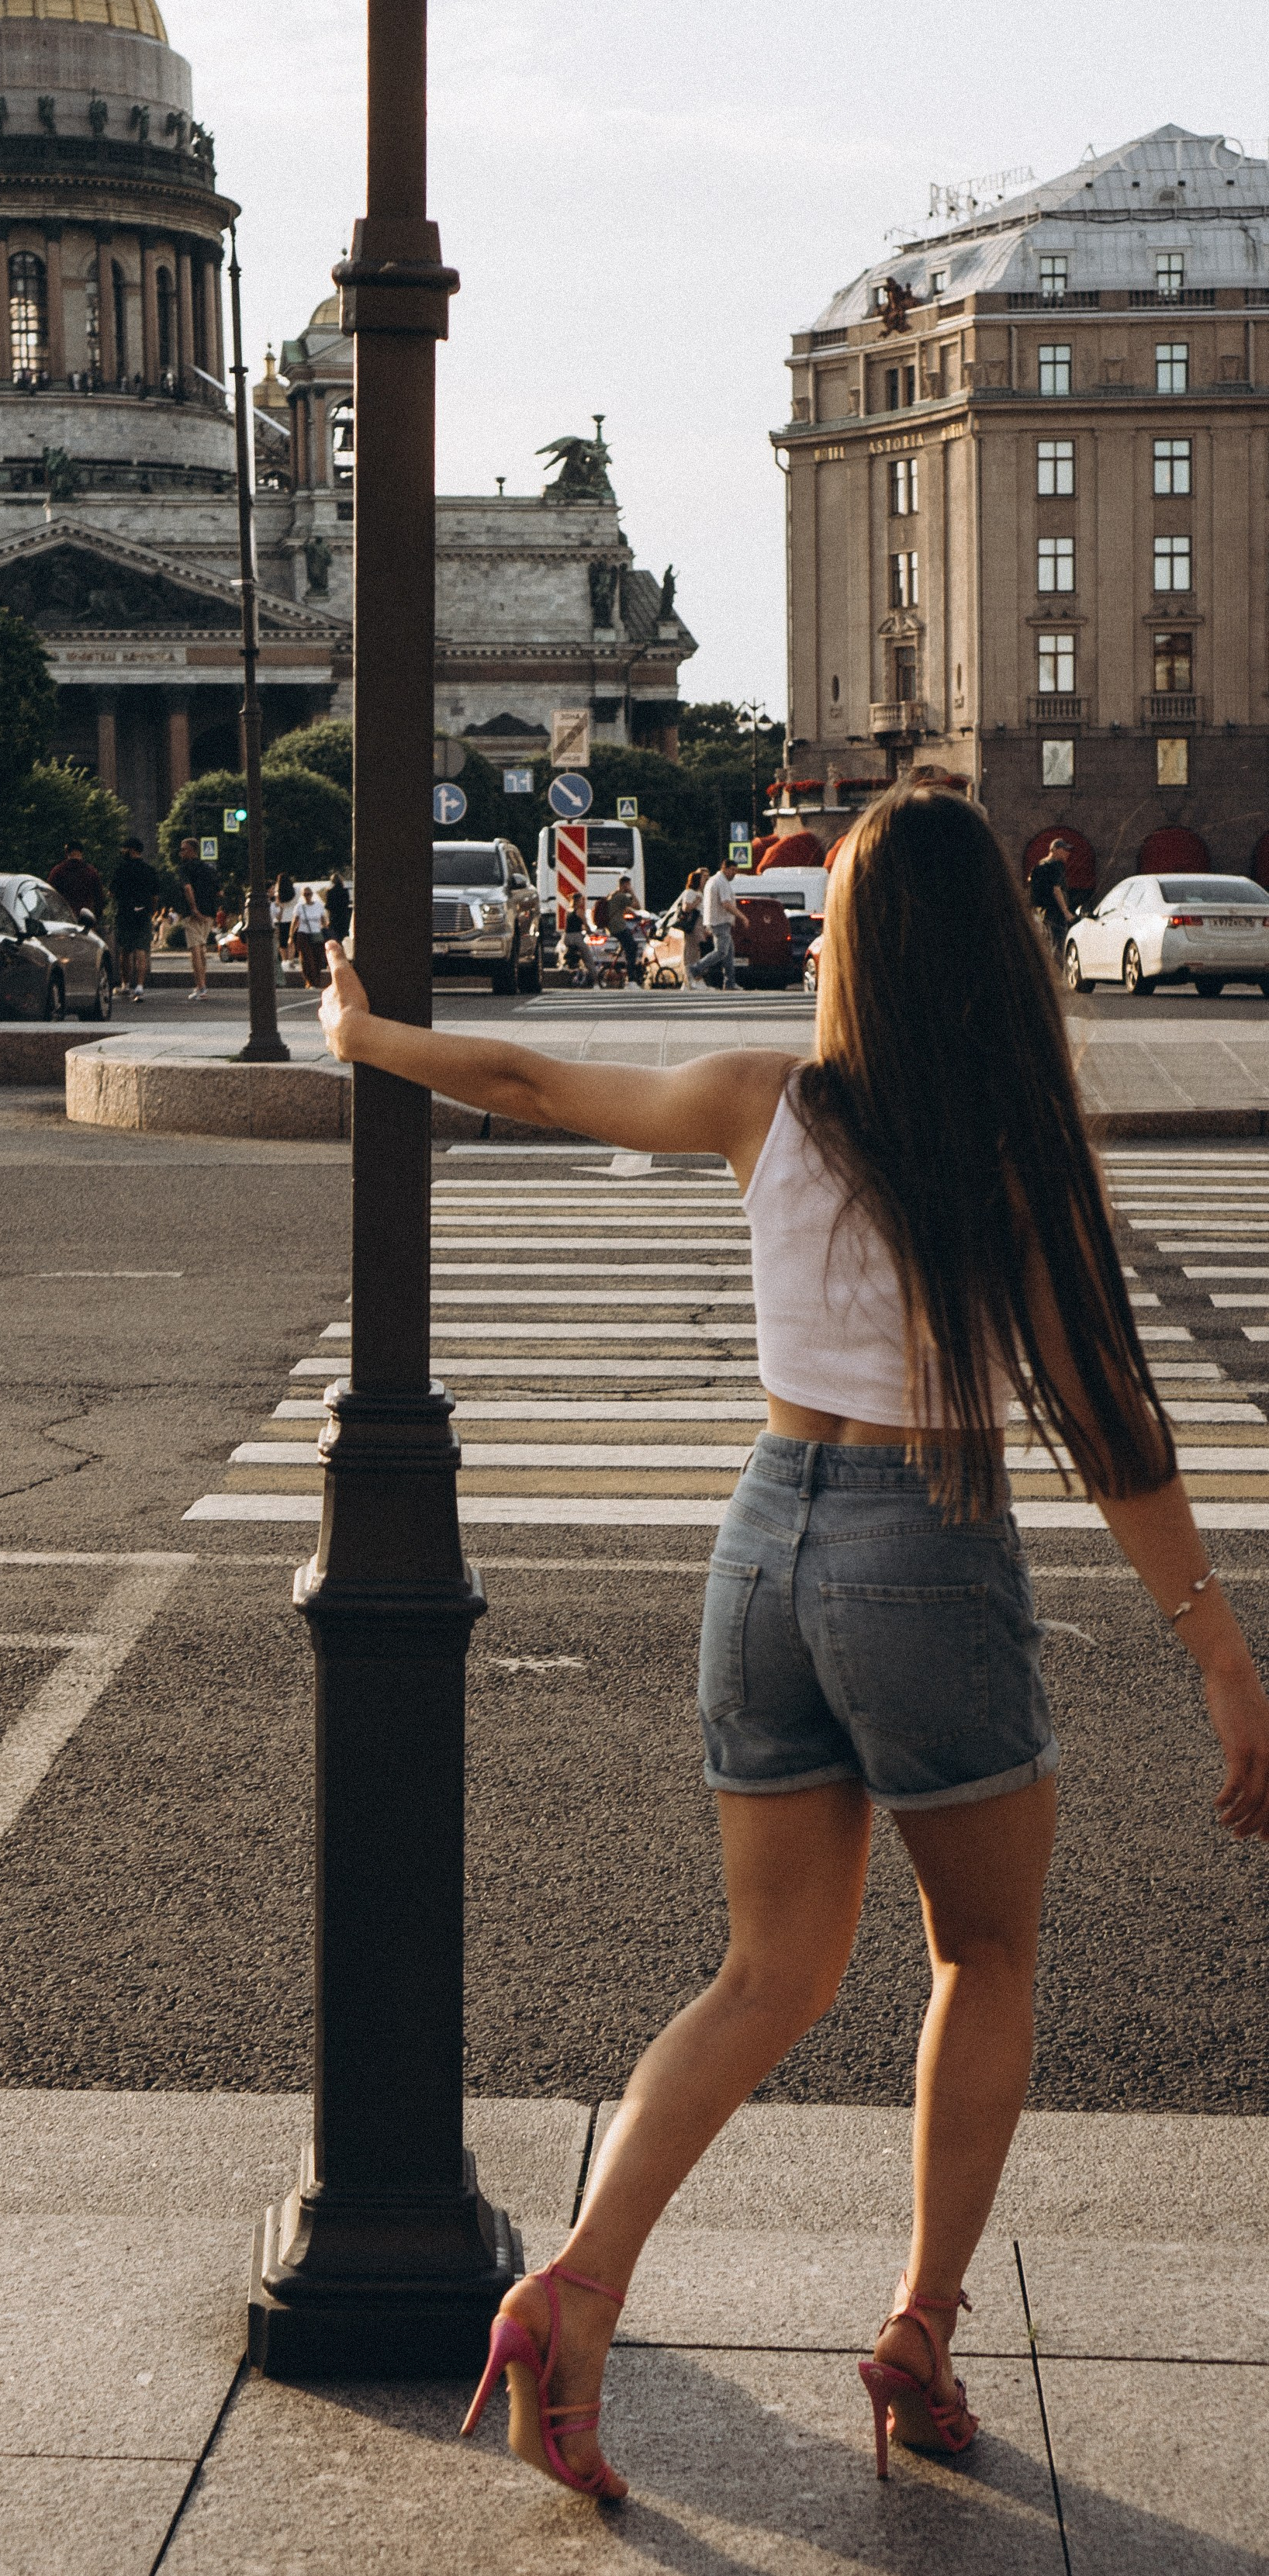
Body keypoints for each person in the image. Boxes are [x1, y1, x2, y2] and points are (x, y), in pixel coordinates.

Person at [317, 782, 1269, 2503]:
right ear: (999, 950)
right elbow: (1110, 1412)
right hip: (927, 1538)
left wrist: (365, 1028)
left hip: (766, 1534)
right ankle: (919, 2324)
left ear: (848, 947)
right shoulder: (1009, 1142)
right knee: (980, 1951)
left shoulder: (768, 1100)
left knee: (767, 1974)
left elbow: (533, 1082)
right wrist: (1215, 1645)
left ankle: (574, 2290)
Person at [111, 835, 160, 1004]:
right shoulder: (150, 870)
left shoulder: (121, 869)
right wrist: (151, 911)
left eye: (124, 848)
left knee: (125, 951)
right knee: (142, 950)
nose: (122, 851)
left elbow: (112, 893)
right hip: (144, 914)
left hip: (125, 913)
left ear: (131, 850)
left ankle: (125, 985)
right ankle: (139, 987)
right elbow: (155, 896)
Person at [179, 838, 220, 1001]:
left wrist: (194, 908)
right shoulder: (209, 869)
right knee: (201, 949)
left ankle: (201, 987)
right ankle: (201, 986)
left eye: (183, 849)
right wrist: (212, 910)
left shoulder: (185, 868)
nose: (180, 852)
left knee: (195, 950)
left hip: (193, 914)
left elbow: (188, 888)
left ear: (191, 851)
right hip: (209, 913)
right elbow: (219, 892)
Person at [49, 840, 107, 936]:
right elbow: (99, 898)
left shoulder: (58, 871)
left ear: (67, 853)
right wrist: (96, 919)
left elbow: (50, 894)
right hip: (86, 920)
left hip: (64, 919)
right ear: (81, 853)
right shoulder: (91, 872)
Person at [1029, 838, 1076, 960]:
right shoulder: (1056, 865)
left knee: (1046, 944)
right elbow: (1057, 889)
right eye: (1064, 850)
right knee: (1058, 945)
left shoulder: (1039, 865)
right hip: (1055, 912)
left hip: (1042, 913)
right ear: (1054, 850)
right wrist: (1066, 912)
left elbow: (1031, 888)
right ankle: (1059, 975)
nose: (1067, 853)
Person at [703, 853, 742, 990]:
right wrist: (741, 916)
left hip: (719, 921)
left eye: (735, 871)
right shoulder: (721, 881)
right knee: (721, 952)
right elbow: (726, 903)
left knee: (729, 954)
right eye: (732, 870)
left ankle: (730, 982)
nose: (734, 874)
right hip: (719, 922)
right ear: (725, 868)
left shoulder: (715, 880)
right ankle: (695, 969)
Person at [291, 882, 330, 987]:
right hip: (303, 934)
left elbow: (323, 920)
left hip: (316, 934)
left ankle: (316, 981)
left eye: (309, 894)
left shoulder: (318, 905)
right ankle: (310, 982)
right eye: (305, 894)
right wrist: (291, 937)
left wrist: (326, 932)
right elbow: (295, 921)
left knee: (317, 958)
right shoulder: (299, 906)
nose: (307, 896)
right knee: (307, 959)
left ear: (312, 894)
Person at [675, 870, 707, 990]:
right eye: (703, 879)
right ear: (697, 881)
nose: (704, 881)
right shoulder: (690, 892)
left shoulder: (699, 892)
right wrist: (696, 902)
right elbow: (686, 908)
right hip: (692, 924)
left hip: (698, 924)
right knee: (691, 951)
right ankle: (690, 980)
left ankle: (690, 981)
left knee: (696, 951)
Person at [610, 875, 643, 984]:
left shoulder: (613, 895)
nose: (629, 887)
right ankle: (631, 979)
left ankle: (626, 973)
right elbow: (638, 906)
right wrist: (632, 892)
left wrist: (633, 915)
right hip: (619, 927)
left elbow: (625, 909)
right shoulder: (621, 896)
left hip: (614, 927)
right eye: (628, 885)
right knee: (632, 948)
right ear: (624, 885)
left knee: (629, 946)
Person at [562, 895, 592, 985]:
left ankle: (572, 968)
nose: (582, 902)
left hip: (567, 937)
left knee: (574, 954)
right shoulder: (579, 911)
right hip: (576, 937)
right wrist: (589, 931)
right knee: (588, 959)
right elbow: (585, 924)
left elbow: (568, 926)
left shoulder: (568, 911)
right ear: (578, 901)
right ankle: (594, 981)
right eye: (581, 900)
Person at [326, 866, 352, 948]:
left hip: (334, 917)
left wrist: (328, 919)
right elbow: (347, 903)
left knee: (335, 936)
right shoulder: (345, 891)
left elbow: (328, 906)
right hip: (344, 916)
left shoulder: (329, 892)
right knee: (344, 936)